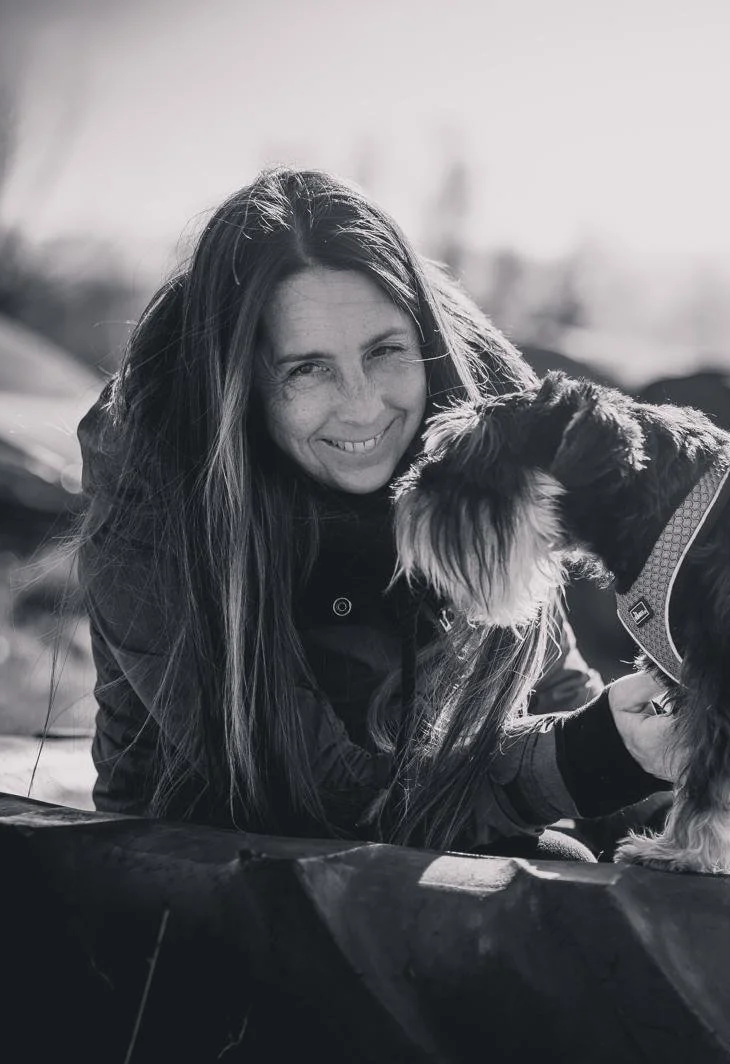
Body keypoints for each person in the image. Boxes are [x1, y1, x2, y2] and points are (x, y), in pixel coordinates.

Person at [76, 167, 676, 858]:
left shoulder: (478, 425)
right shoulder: (158, 466)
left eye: (385, 352)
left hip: (449, 837)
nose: (364, 407)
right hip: (200, 866)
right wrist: (585, 757)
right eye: (307, 369)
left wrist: (662, 784)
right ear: (240, 382)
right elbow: (318, 790)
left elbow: (540, 665)